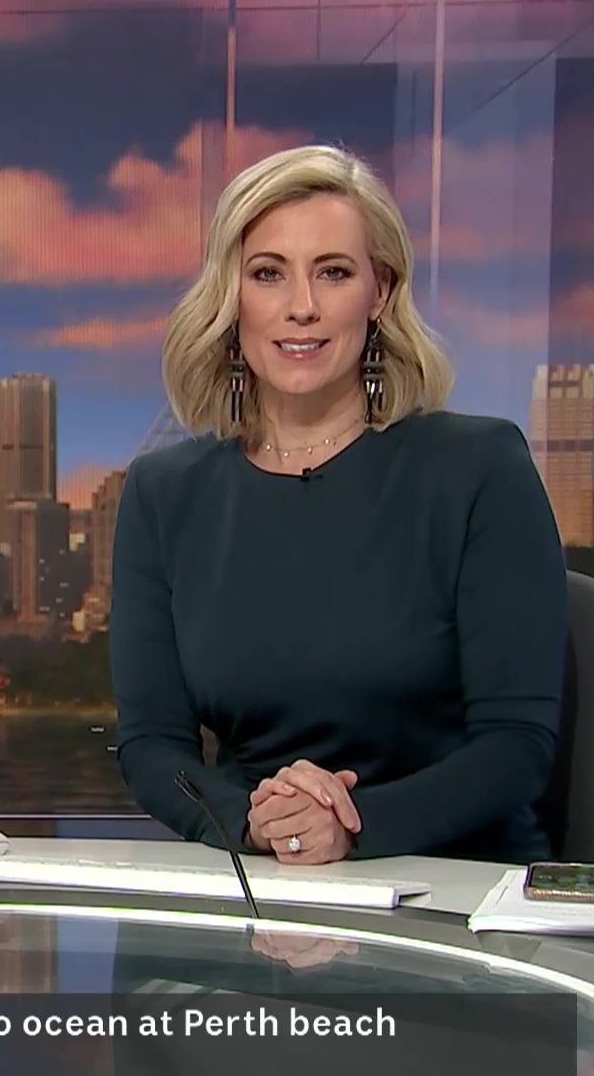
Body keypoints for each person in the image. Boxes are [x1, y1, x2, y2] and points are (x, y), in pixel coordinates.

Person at [110, 144, 566, 866]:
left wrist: (352, 825)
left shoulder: (478, 468)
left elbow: (517, 744)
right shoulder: (164, 494)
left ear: (379, 291)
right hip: (263, 876)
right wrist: (256, 822)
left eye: (334, 272)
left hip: (456, 886)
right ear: (231, 295)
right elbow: (151, 746)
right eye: (268, 273)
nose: (302, 306)